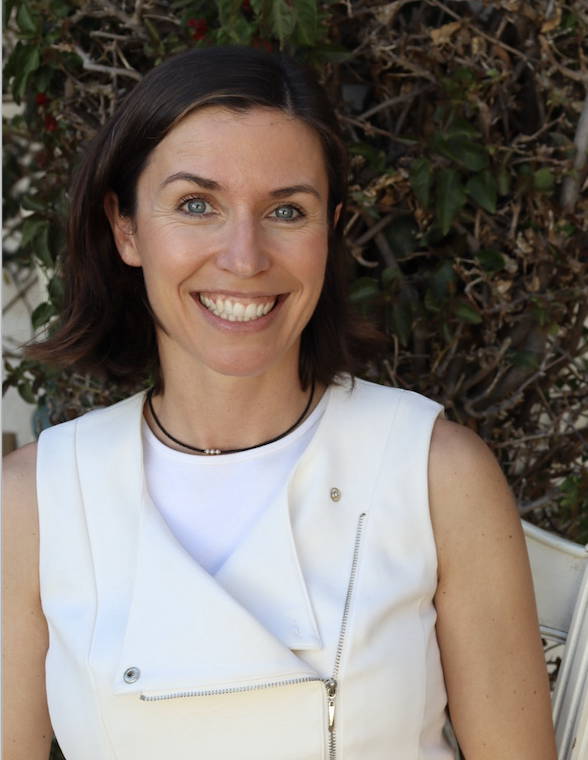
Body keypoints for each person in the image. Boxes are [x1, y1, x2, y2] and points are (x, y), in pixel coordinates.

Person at [2, 46, 557, 760]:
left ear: (331, 231)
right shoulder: (34, 505)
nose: (244, 255)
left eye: (287, 211)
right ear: (126, 229)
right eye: (196, 205)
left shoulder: (436, 476)